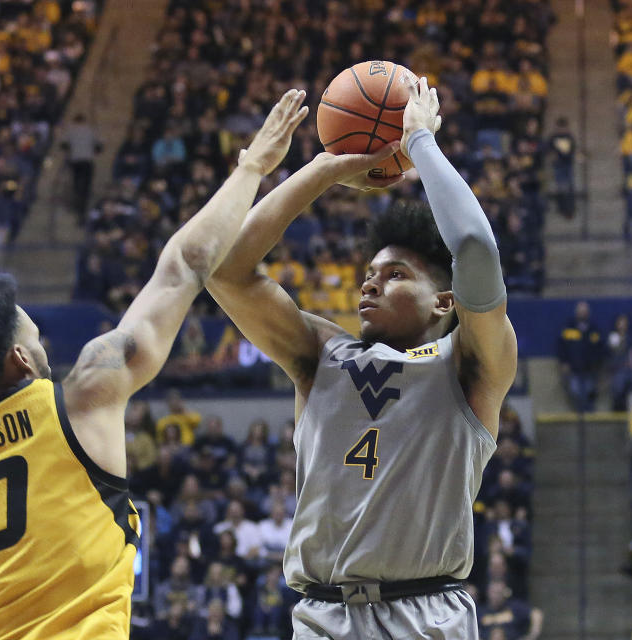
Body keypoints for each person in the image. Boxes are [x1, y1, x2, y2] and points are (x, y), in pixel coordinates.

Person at [0, 90, 343, 639]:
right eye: (36, 334)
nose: (44, 342)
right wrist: (254, 164)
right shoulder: (82, 398)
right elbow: (183, 267)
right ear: (21, 359)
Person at [206, 78, 516, 638]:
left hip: (426, 614)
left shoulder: (470, 363)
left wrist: (420, 141)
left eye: (395, 276)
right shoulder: (321, 353)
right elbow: (227, 271)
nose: (368, 288)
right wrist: (329, 167)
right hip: (321, 615)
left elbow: (474, 248)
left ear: (444, 300)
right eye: (367, 276)